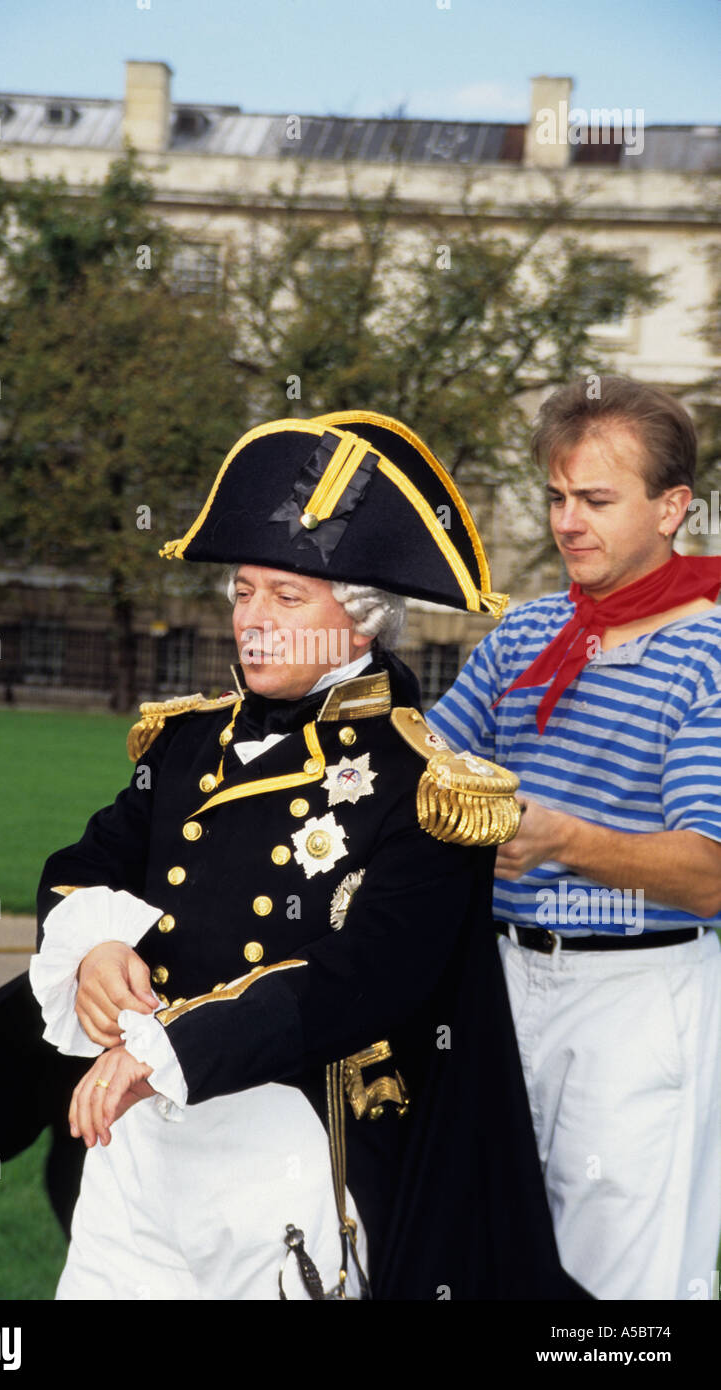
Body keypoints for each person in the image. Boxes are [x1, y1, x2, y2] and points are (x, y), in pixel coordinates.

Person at [0, 411, 588, 1301]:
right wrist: (95, 949)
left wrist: (169, 1049)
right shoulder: (185, 742)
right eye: (243, 592)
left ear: (359, 622)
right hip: (138, 1139)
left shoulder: (426, 784)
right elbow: (84, 863)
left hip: (291, 1145)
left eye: (287, 599)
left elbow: (367, 977)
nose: (253, 620)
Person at [426, 376, 721, 1301]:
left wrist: (557, 838)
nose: (566, 522)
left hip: (639, 995)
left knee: (616, 1295)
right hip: (500, 979)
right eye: (556, 498)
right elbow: (428, 763)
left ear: (672, 507)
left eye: (595, 499)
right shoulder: (532, 629)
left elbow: (709, 876)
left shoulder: (708, 649)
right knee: (488, 1257)